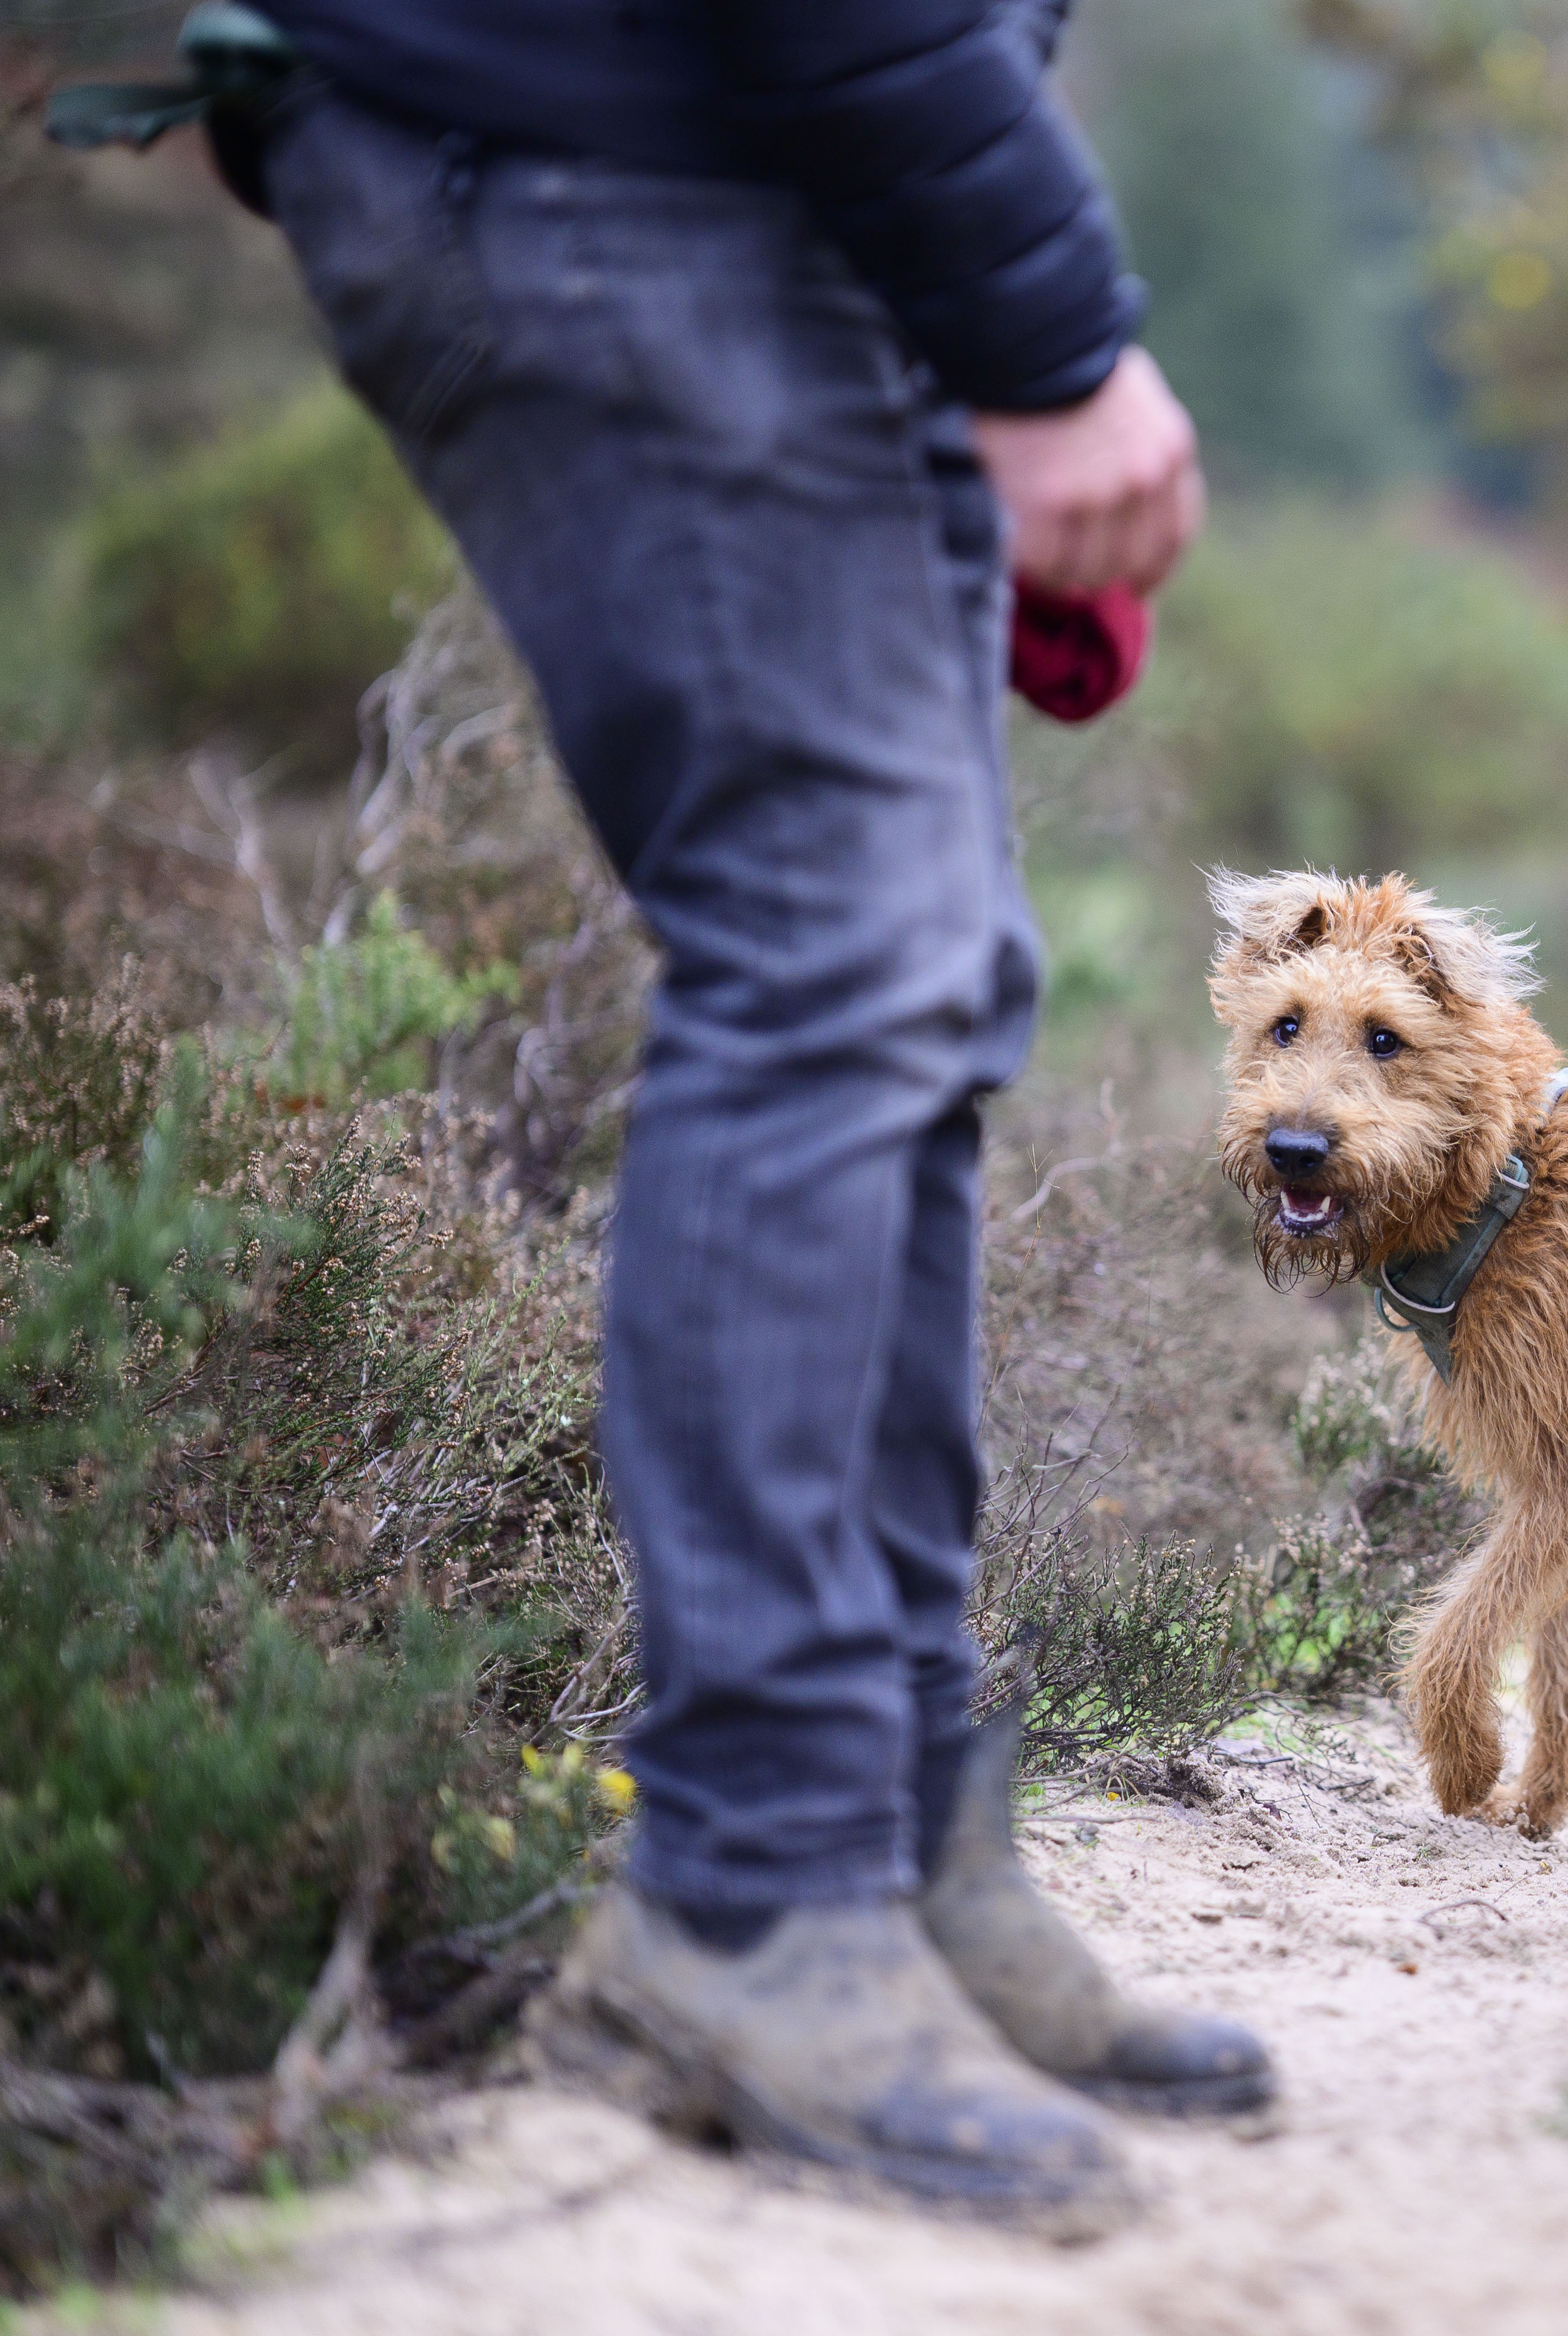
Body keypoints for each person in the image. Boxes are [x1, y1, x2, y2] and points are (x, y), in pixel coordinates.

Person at [234, 0, 1267, 2215]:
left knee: (928, 976)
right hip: (616, 157)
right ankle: (748, 1884)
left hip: (759, 166)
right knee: (835, 963)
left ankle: (892, 1843)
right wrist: (1051, 328)